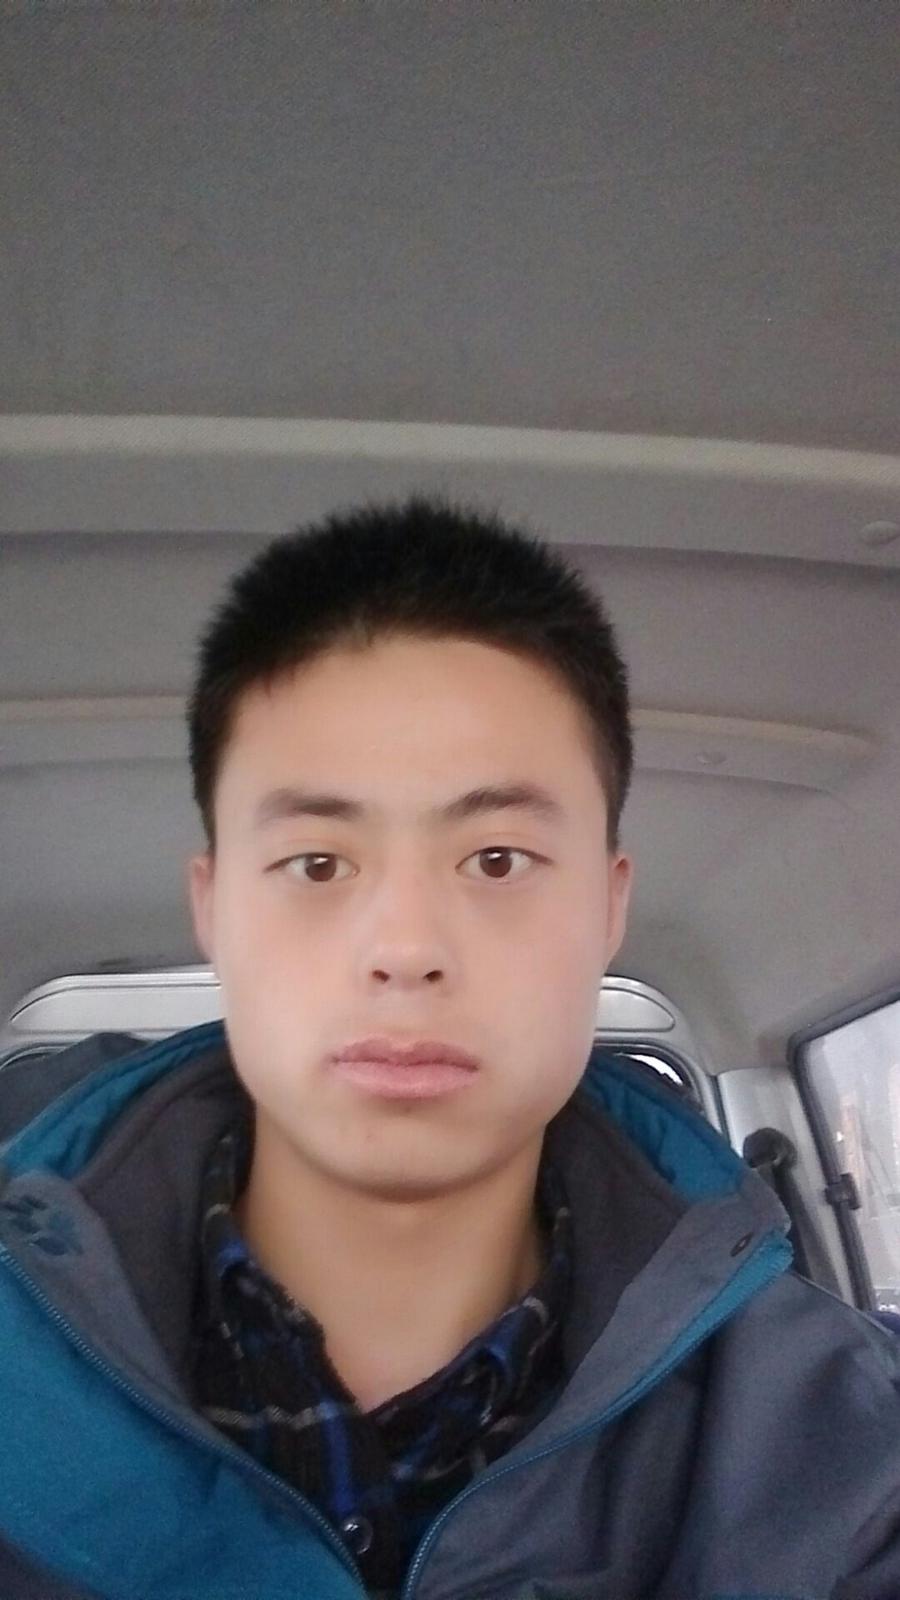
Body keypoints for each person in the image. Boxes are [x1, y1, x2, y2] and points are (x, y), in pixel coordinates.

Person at [0, 497, 899, 1600]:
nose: (407, 950)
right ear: (213, 906)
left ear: (609, 906)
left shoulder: (843, 1453)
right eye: (318, 864)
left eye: (498, 859)